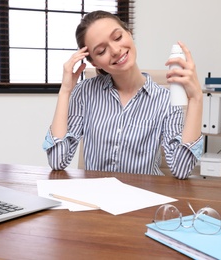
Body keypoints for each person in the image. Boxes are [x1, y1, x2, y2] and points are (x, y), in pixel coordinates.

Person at [43, 10, 203, 179]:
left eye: (118, 37)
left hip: (145, 198)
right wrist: (65, 91)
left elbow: (181, 169)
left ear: (129, 33)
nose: (115, 50)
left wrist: (196, 98)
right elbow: (57, 160)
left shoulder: (166, 101)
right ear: (94, 62)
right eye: (101, 51)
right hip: (97, 198)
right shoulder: (84, 93)